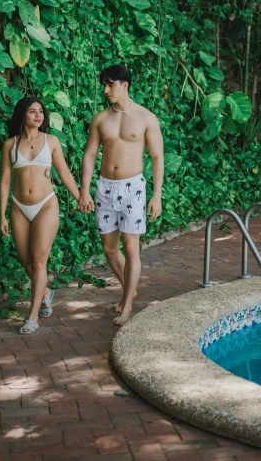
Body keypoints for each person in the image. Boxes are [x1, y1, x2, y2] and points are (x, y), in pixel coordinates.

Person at [78, 65, 164, 326]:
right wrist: (84, 189)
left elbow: (157, 157)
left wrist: (156, 195)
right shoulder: (100, 118)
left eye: (110, 84)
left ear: (125, 85)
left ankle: (127, 306)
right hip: (105, 188)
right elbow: (90, 154)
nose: (106, 90)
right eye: (104, 84)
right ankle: (129, 287)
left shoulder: (146, 118)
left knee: (131, 247)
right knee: (109, 249)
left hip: (133, 189)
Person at [0, 96, 80, 334]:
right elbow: (5, 181)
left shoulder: (52, 141)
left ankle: (33, 316)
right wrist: (1, 215)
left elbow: (64, 173)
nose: (38, 115)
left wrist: (80, 197)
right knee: (26, 261)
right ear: (22, 115)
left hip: (46, 204)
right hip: (18, 207)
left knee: (38, 260)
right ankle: (45, 292)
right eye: (33, 111)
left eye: (41, 111)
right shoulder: (10, 145)